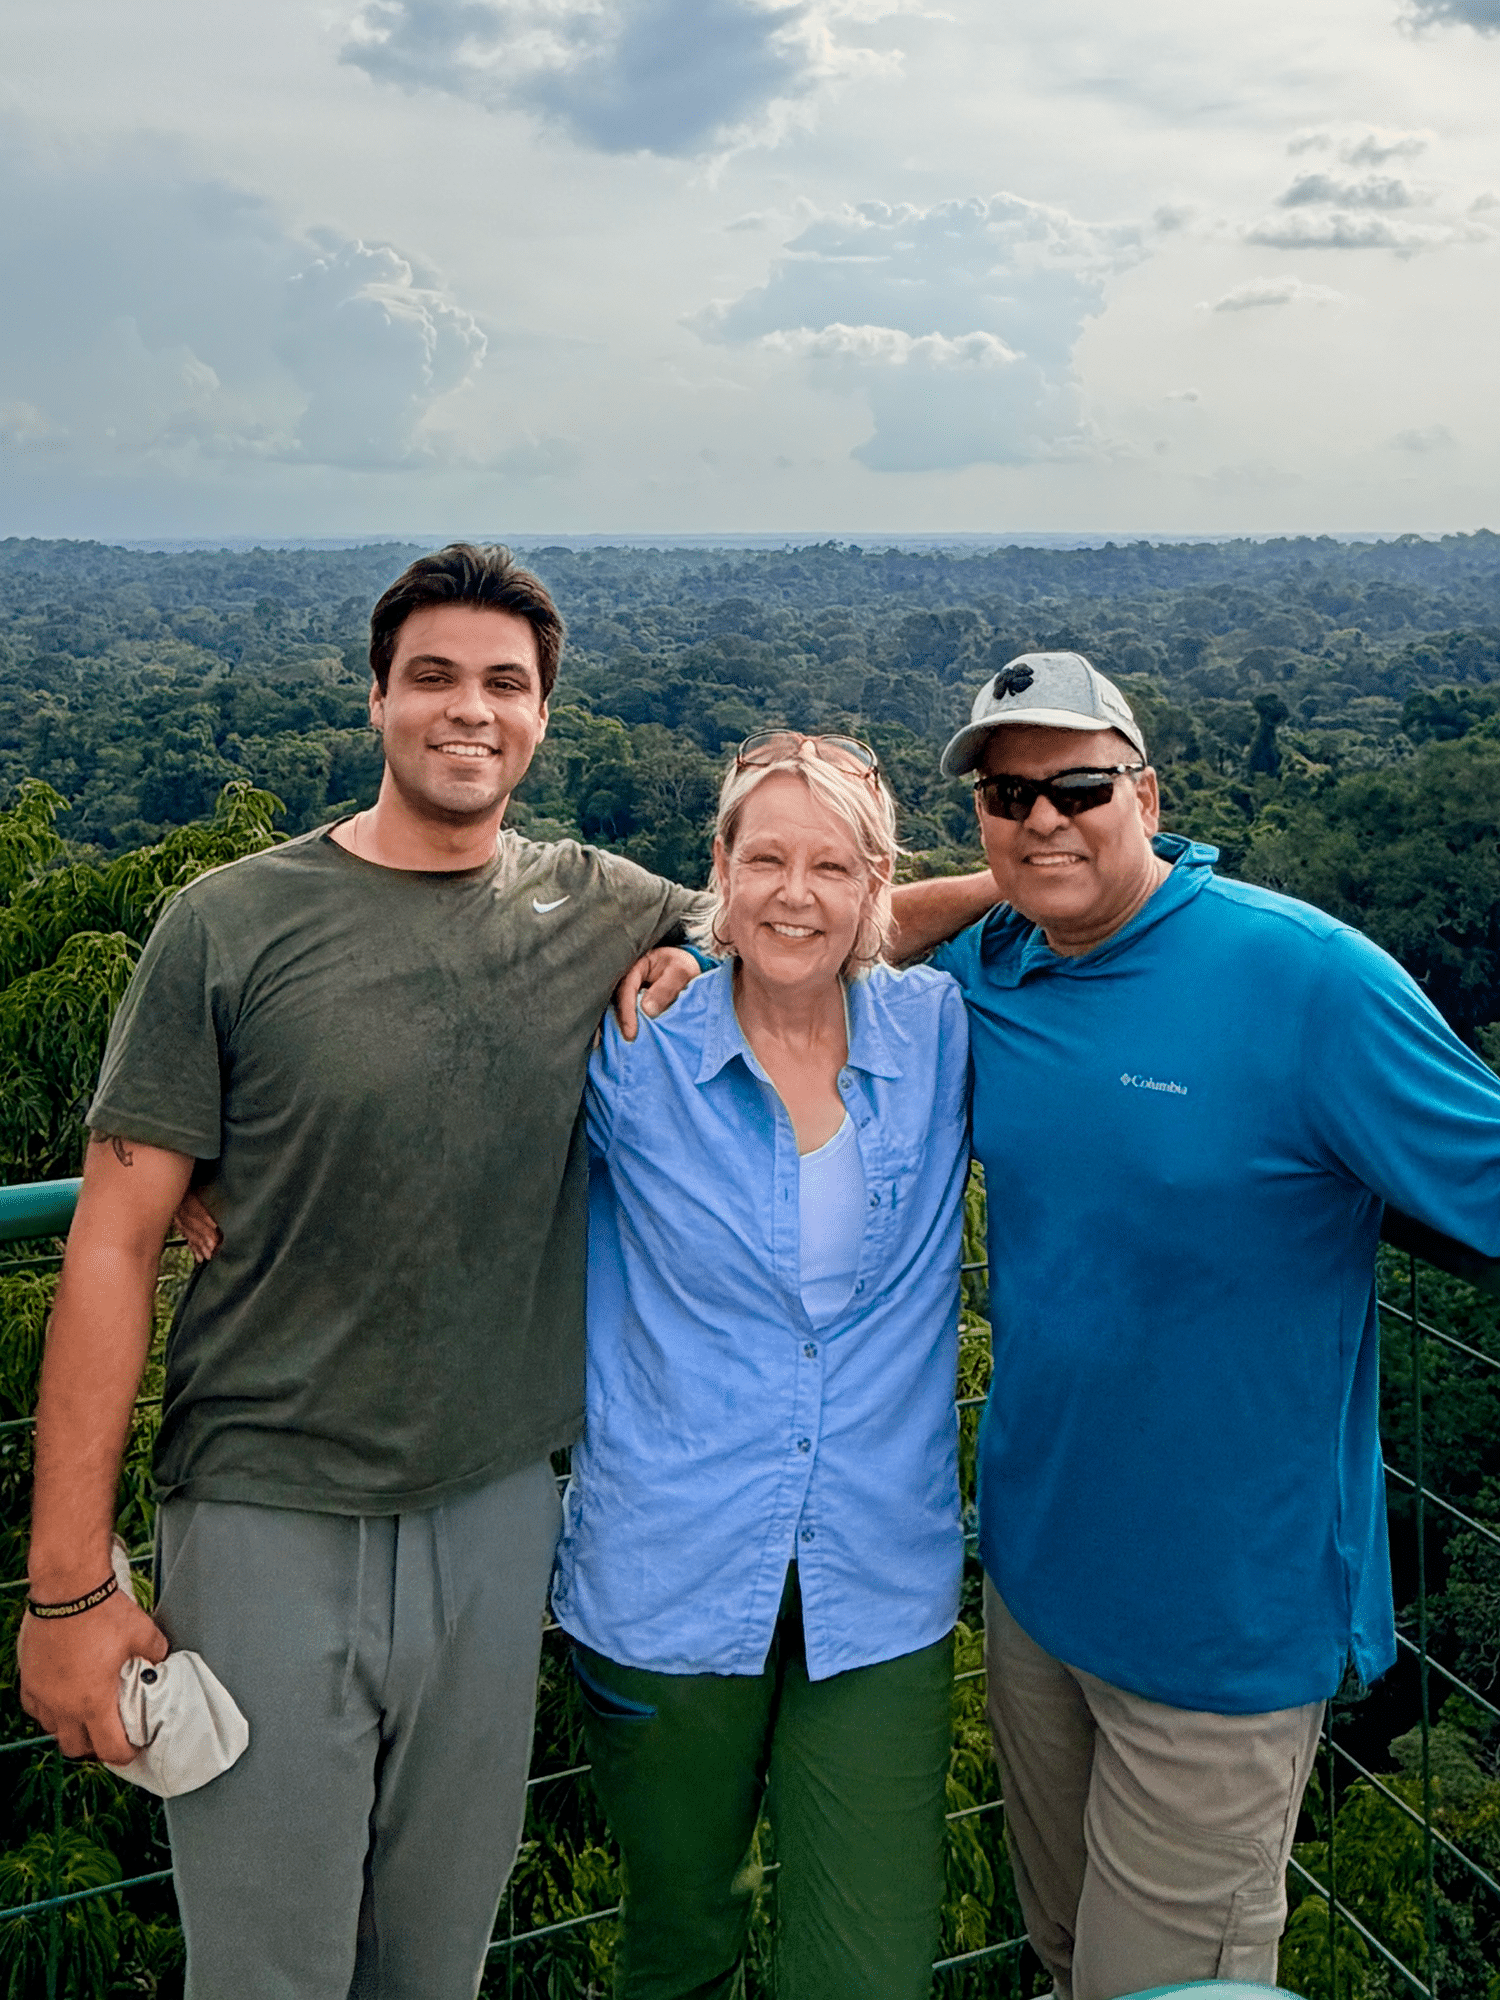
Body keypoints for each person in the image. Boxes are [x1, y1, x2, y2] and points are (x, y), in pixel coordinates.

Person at [16, 544, 991, 2000]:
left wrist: (1052, 873)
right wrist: (66, 1588)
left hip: (494, 1513)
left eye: (503, 684)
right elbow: (108, 1239)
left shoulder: (596, 905)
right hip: (270, 1501)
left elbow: (809, 926)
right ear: (377, 701)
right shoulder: (232, 923)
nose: (468, 711)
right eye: (435, 679)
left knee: (436, 1959)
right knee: (271, 1965)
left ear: (541, 716)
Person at [927, 651, 1500, 2000]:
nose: (1044, 818)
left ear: (1149, 791)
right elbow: (828, 922)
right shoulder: (1005, 960)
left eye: (1080, 786)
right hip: (1037, 1584)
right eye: (1008, 799)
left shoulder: (1302, 980)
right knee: (1066, 1959)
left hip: (1221, 1626)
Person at [551, 733, 972, 2000]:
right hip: (667, 1569)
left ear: (876, 888)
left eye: (833, 866)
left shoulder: (944, 1030)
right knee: (679, 1943)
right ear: (718, 876)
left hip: (878, 1574)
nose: (798, 894)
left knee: (871, 1964)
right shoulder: (632, 1049)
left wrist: (1013, 874)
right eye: (767, 860)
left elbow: (1090, 915)